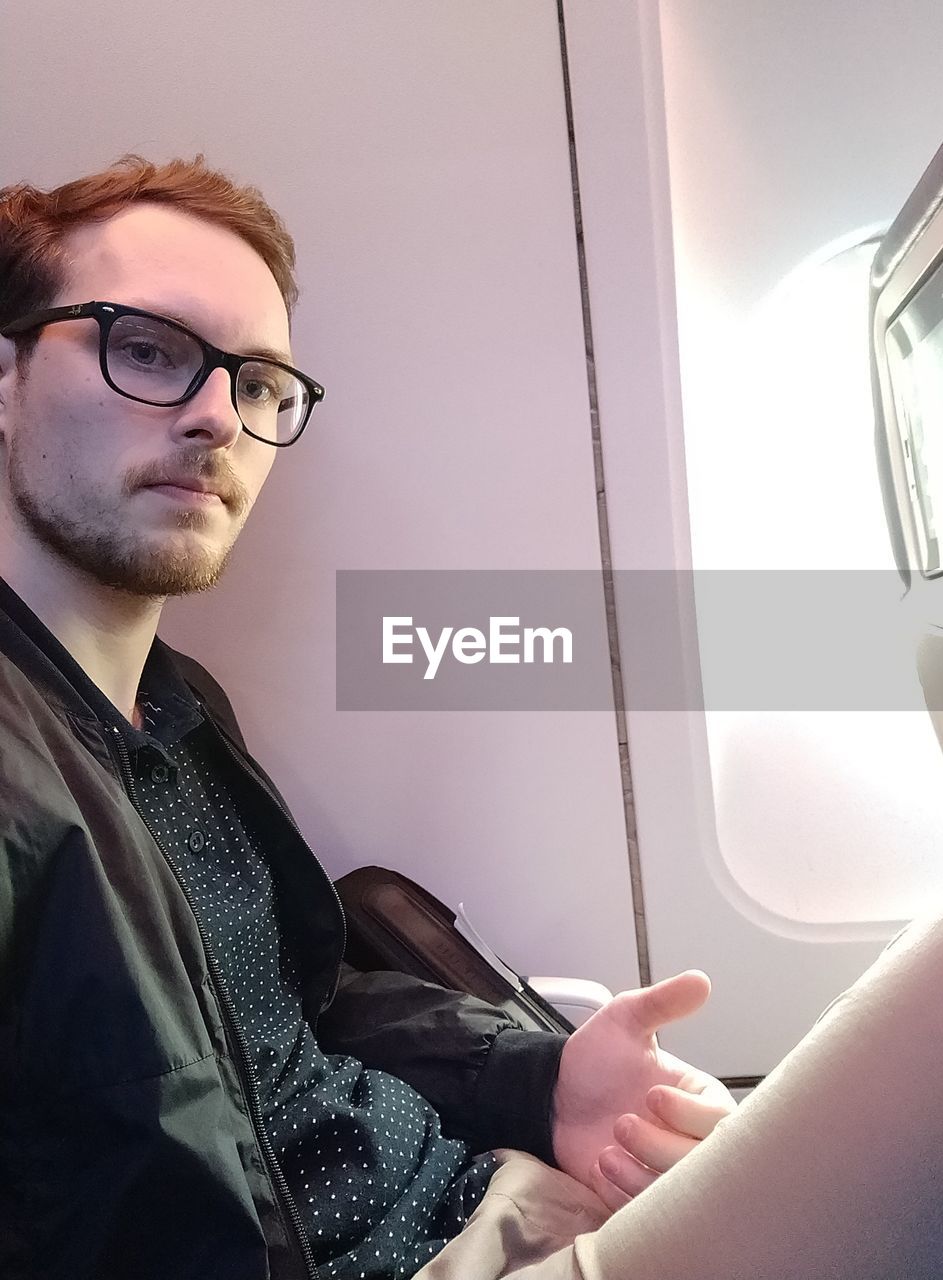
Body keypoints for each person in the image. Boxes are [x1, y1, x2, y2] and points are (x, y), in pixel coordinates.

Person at [0, 156, 737, 1280]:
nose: (216, 418)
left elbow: (302, 1008)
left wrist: (544, 1080)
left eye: (256, 383)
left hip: (485, 1185)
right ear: (4, 378)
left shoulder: (178, 706)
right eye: (147, 349)